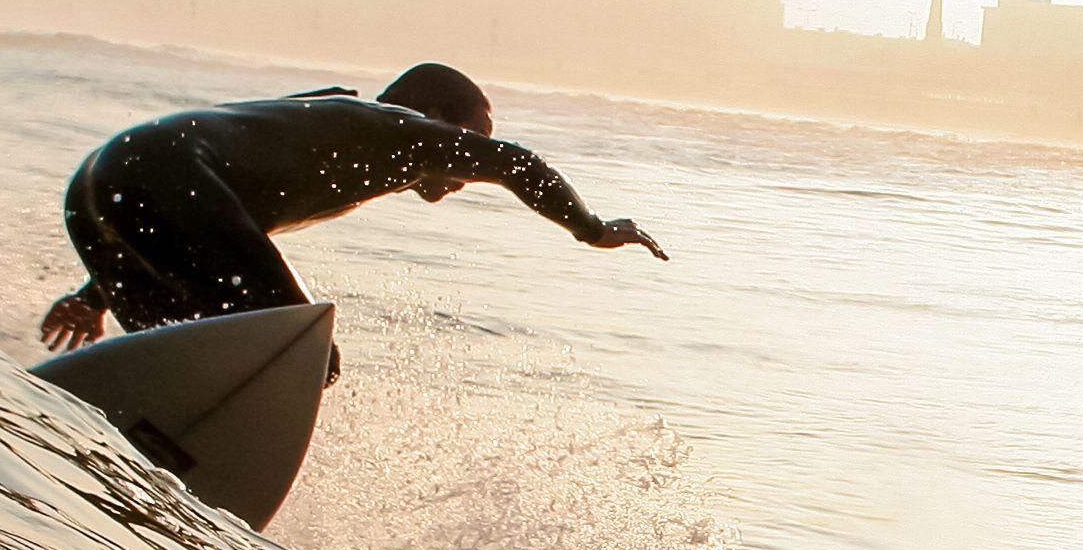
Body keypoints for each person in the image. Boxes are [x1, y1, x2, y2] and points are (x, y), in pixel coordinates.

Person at [38, 62, 663, 351]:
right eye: (471, 141)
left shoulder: (333, 130)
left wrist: (98, 295)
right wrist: (592, 229)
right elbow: (519, 164)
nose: (467, 170)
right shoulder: (398, 130)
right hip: (162, 172)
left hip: (98, 189)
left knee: (185, 350)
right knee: (305, 350)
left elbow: (191, 217)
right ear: (437, 119)